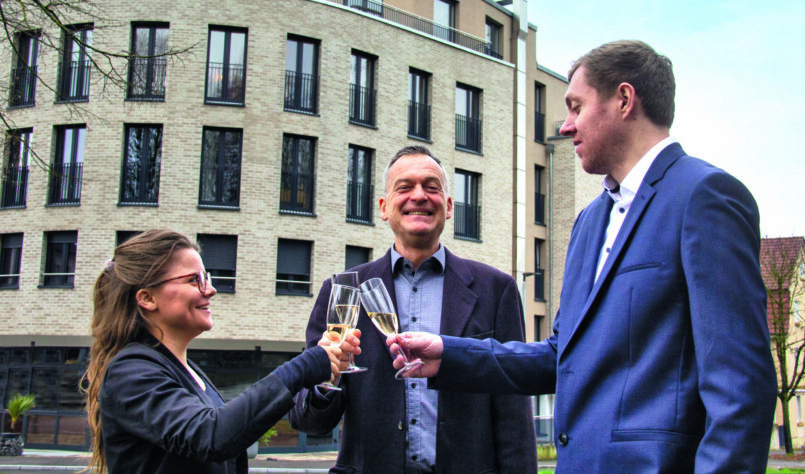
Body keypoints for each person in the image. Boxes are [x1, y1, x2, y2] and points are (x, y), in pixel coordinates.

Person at [388, 40, 777, 473]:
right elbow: (561, 356)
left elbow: (740, 387)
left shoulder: (705, 197)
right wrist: (449, 354)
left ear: (624, 100)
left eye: (576, 107)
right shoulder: (589, 221)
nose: (567, 126)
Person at [290, 146, 537, 473]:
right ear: (383, 207)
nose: (418, 196)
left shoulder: (496, 291)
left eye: (431, 187)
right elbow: (308, 421)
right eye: (404, 188)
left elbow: (514, 418)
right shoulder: (343, 291)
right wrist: (327, 379)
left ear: (448, 207)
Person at [82, 229, 359, 474]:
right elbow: (210, 436)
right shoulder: (129, 371)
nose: (211, 290)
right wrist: (304, 366)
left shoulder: (188, 373)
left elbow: (228, 437)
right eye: (194, 280)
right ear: (147, 298)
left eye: (207, 278)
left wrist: (324, 368)